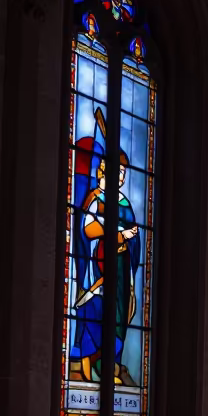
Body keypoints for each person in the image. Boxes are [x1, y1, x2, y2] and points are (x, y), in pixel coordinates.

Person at [70, 107, 140, 386]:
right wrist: (118, 233)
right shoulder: (96, 199)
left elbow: (133, 237)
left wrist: (129, 238)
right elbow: (88, 229)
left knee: (120, 316)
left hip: (122, 267)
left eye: (123, 172)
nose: (120, 177)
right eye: (116, 171)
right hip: (98, 265)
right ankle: (90, 361)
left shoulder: (124, 203)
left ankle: (111, 362)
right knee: (97, 310)